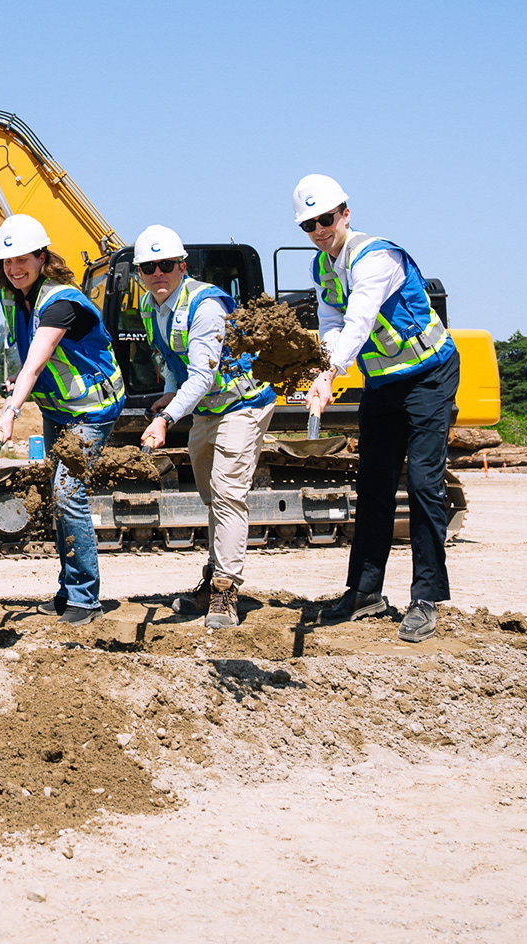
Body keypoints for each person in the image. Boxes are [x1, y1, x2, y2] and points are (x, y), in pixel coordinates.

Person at [296, 175, 461, 643]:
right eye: (309, 224)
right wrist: (327, 366)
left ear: (345, 213)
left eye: (326, 219)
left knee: (426, 484)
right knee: (373, 484)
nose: (319, 229)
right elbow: (331, 321)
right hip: (383, 382)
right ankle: (364, 592)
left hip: (429, 375)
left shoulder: (376, 257)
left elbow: (360, 317)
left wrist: (328, 376)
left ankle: (426, 598)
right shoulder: (322, 267)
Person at [129, 225, 277, 630]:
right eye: (148, 267)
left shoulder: (206, 305)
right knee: (213, 498)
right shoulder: (150, 305)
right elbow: (177, 362)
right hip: (207, 410)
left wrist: (165, 418)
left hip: (242, 404)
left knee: (229, 495)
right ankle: (214, 579)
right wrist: (168, 393)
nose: (157, 273)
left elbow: (205, 375)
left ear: (182, 265)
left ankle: (225, 592)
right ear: (139, 272)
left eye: (165, 265)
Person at [0, 213, 124, 625]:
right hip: (58, 407)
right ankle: (68, 590)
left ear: (42, 257)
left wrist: (10, 411)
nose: (14, 268)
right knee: (57, 496)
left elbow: (38, 357)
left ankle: (85, 596)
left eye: (23, 259)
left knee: (68, 494)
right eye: (7, 262)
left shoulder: (61, 301)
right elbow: (29, 355)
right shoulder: (16, 296)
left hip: (91, 409)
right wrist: (21, 382)